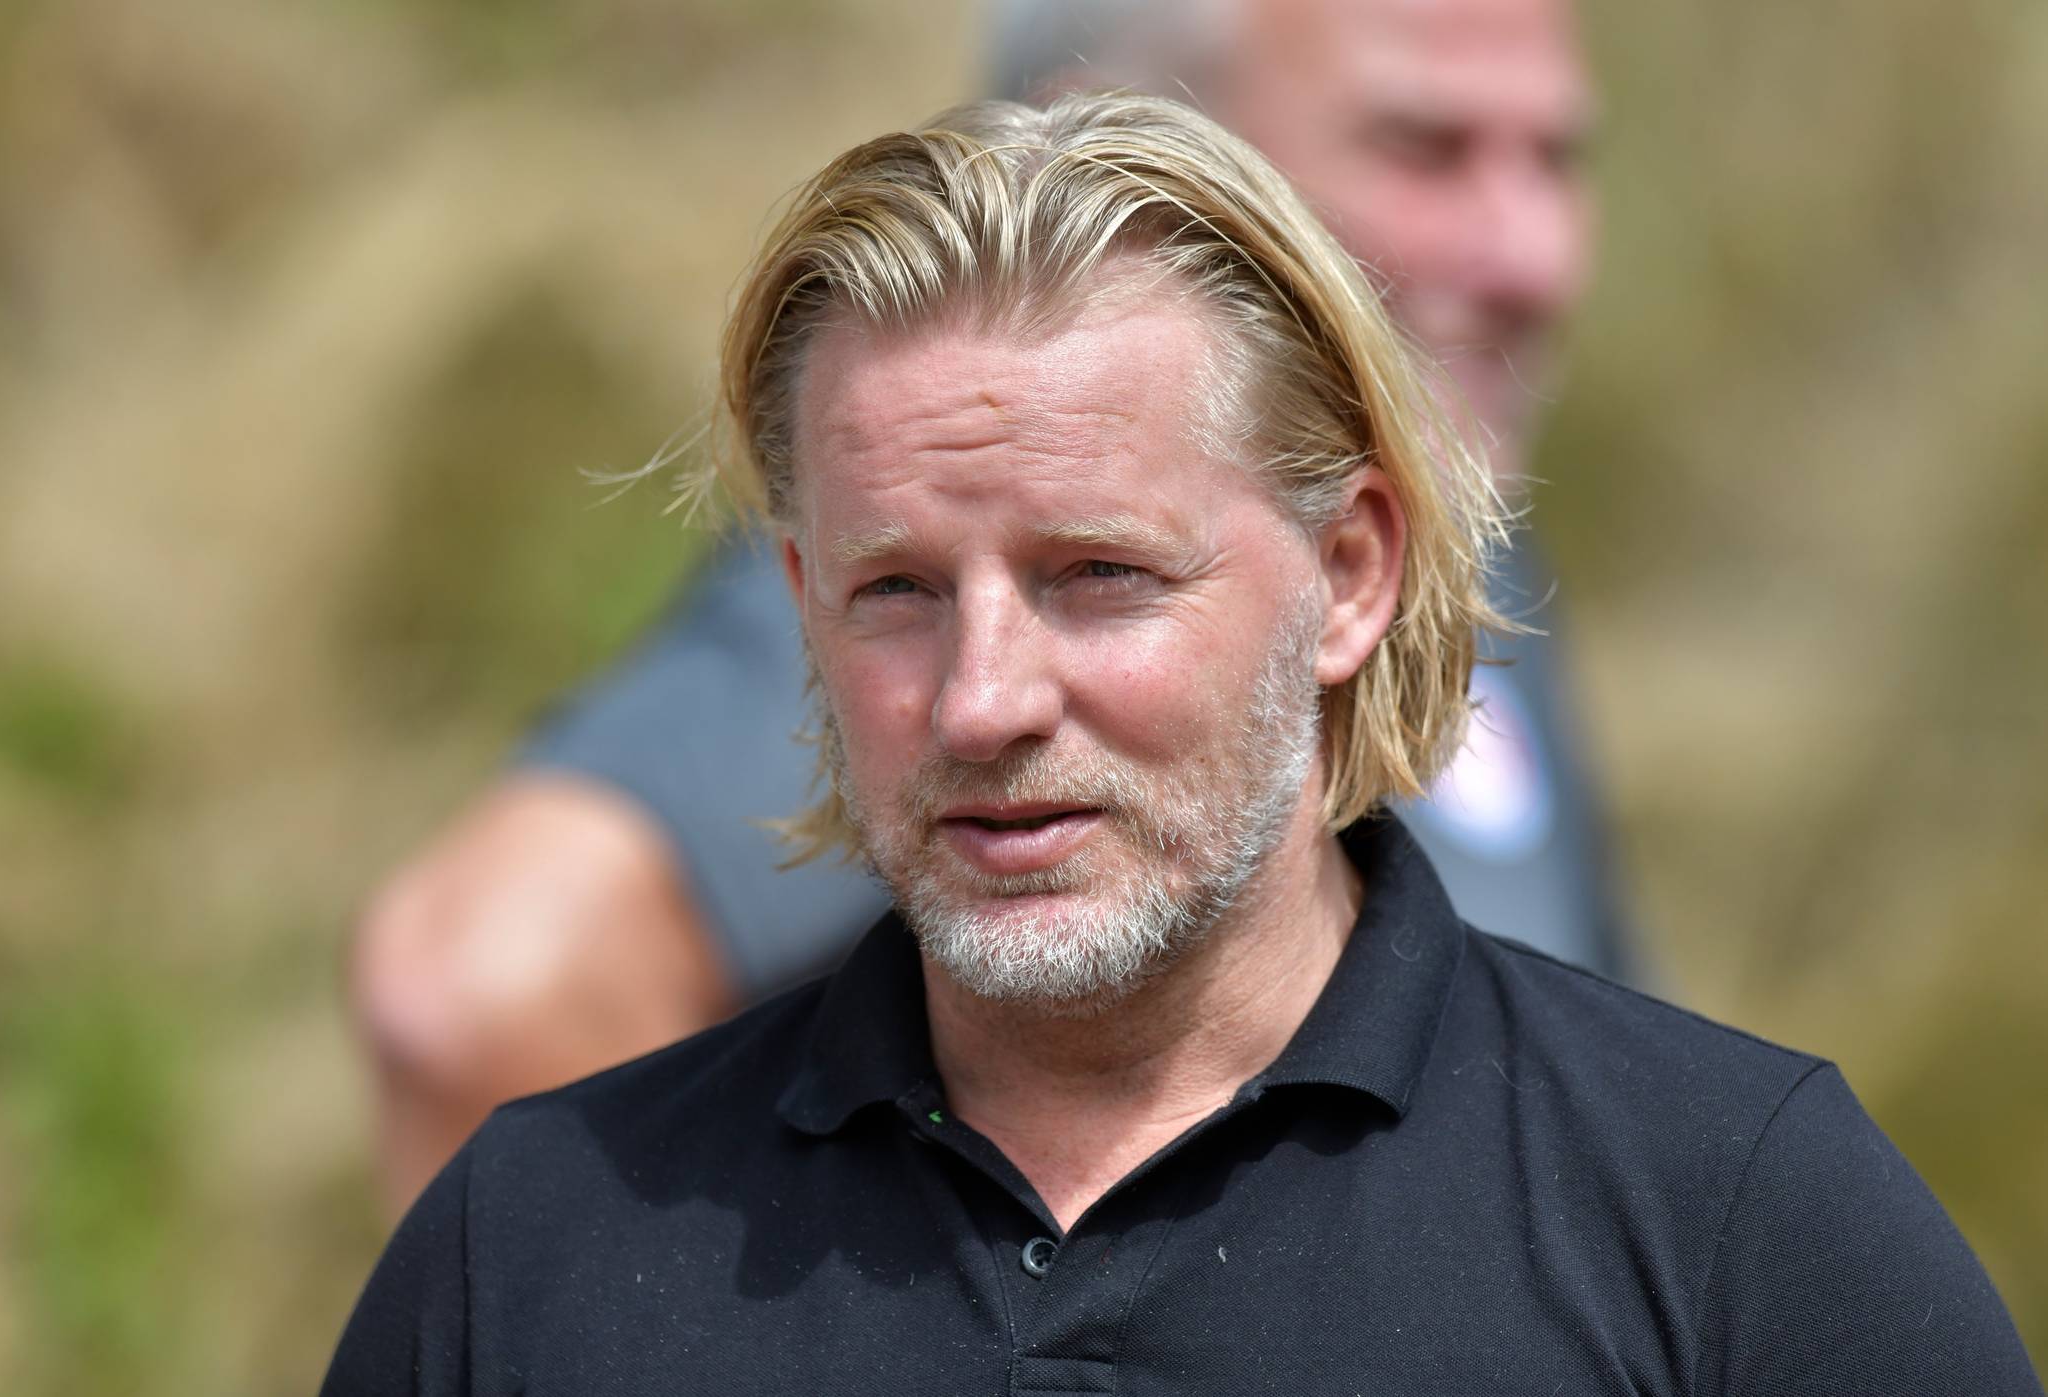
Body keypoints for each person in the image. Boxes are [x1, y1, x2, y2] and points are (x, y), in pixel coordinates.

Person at [322, 93, 2040, 1394]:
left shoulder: (1730, 1220)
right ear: (799, 604)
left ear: (1350, 573)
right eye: (896, 590)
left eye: (1099, 576)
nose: (983, 698)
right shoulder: (529, 1249)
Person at [352, 0, 1629, 1213]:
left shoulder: (1455, 537)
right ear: (1098, 138)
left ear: (1357, 568)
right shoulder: (952, 544)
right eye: (1421, 148)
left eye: (1555, 158)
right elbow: (483, 977)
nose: (1530, 256)